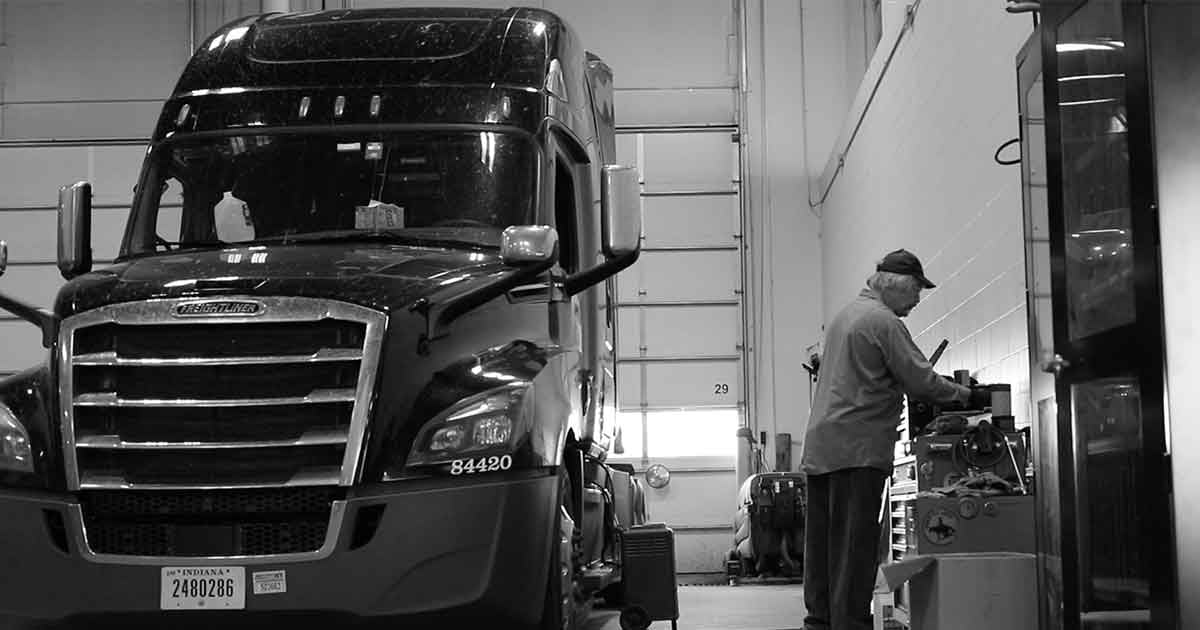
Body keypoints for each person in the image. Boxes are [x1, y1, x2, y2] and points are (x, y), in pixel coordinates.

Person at [799, 249, 988, 630]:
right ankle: (850, 624)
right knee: (855, 548)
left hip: (822, 446)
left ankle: (819, 622)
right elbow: (921, 381)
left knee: (823, 548)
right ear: (897, 285)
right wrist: (972, 397)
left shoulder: (845, 316)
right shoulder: (883, 321)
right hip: (857, 449)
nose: (917, 299)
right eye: (916, 290)